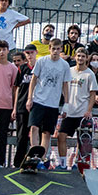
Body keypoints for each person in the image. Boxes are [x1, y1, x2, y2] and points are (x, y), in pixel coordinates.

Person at [27, 38, 72, 169]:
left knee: (46, 132)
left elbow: (65, 85)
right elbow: (33, 80)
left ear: (61, 49)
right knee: (34, 127)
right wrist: (30, 98)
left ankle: (42, 159)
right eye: (53, 49)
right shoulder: (42, 61)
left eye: (58, 49)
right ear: (49, 49)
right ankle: (34, 154)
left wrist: (66, 104)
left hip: (53, 103)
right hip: (39, 100)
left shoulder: (64, 65)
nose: (55, 51)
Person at [56, 48, 97, 169]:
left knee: (81, 140)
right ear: (75, 57)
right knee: (61, 136)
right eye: (78, 56)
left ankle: (76, 163)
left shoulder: (90, 74)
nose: (80, 58)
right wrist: (65, 106)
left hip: (82, 112)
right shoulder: (69, 71)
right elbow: (63, 88)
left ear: (86, 58)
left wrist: (88, 110)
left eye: (83, 56)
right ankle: (63, 164)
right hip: (69, 112)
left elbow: (93, 94)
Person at [13, 43, 37, 166]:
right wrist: (14, 108)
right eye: (27, 53)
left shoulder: (40, 67)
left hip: (37, 105)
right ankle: (18, 162)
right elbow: (17, 88)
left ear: (36, 53)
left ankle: (34, 160)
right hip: (22, 105)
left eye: (32, 53)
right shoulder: (22, 68)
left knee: (35, 134)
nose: (30, 55)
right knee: (21, 135)